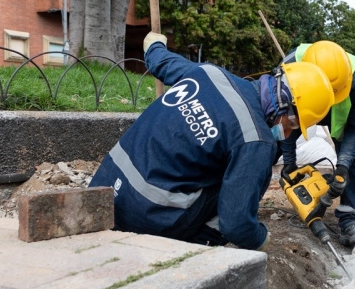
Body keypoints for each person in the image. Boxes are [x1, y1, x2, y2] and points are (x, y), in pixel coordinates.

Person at [88, 32, 334, 250]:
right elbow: (236, 225)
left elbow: (162, 62)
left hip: (105, 190)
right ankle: (194, 249)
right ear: (285, 106)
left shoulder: (208, 73)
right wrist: (260, 239)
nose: (289, 134)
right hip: (147, 217)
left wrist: (154, 45)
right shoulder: (256, 140)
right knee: (248, 186)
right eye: (292, 124)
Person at [278, 41, 355, 246]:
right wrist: (288, 160)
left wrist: (343, 164)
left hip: (338, 112)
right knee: (269, 141)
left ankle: (351, 221)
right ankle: (245, 210)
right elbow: (282, 118)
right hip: (303, 100)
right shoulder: (289, 69)